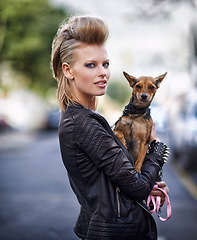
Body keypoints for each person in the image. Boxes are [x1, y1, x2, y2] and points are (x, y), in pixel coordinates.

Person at [51, 15, 170, 240]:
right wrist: (156, 146)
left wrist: (148, 187)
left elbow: (115, 183)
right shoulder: (84, 123)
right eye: (91, 65)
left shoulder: (80, 117)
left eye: (105, 64)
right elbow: (136, 187)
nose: (103, 72)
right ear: (68, 70)